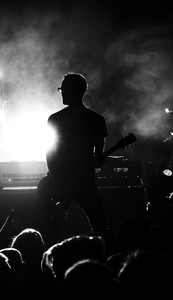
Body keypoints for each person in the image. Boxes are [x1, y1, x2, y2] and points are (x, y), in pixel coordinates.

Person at [41, 72, 109, 244]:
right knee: (100, 224)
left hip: (62, 181)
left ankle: (47, 260)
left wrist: (57, 181)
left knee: (53, 226)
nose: (61, 92)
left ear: (75, 90)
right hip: (85, 181)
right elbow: (99, 159)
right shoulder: (97, 120)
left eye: (63, 89)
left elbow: (50, 154)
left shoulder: (55, 119)